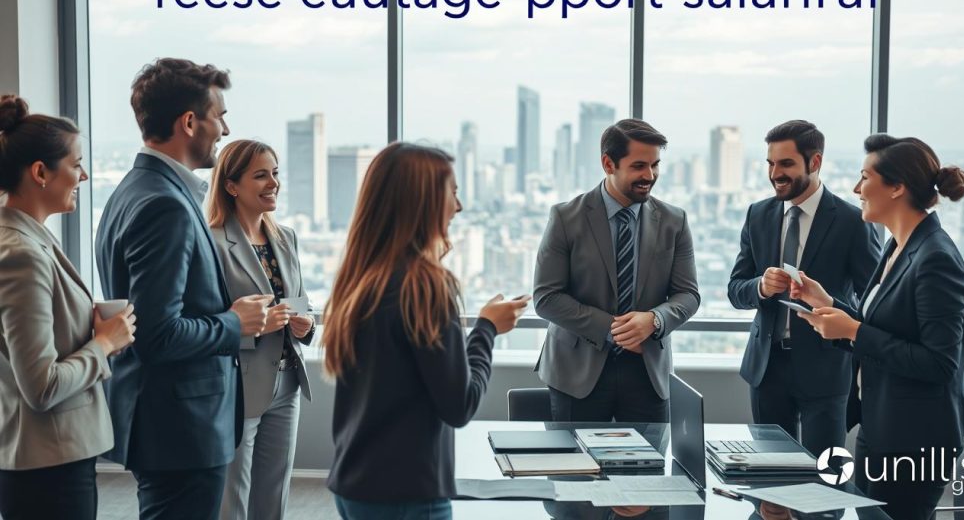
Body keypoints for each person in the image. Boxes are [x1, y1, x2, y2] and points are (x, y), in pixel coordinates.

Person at [95, 59, 274, 520]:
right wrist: (235, 322)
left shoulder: (133, 189)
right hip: (181, 428)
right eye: (220, 116)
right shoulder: (164, 204)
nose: (226, 128)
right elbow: (158, 334)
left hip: (163, 420)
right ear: (189, 122)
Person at [323, 142, 528, 520]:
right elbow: (459, 405)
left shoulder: (360, 279)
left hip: (355, 483)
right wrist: (486, 329)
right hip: (406, 492)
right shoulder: (425, 286)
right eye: (453, 192)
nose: (459, 206)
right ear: (424, 201)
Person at [793, 134, 964, 520]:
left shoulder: (935, 259)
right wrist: (827, 304)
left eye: (864, 177)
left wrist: (852, 332)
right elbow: (885, 326)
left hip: (915, 440)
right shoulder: (899, 246)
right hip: (883, 426)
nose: (856, 188)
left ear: (897, 187)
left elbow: (941, 364)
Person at [0, 95, 136, 520]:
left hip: (46, 459)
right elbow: (41, 386)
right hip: (47, 466)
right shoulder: (22, 253)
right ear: (41, 172)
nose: (85, 175)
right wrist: (104, 343)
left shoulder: (29, 239)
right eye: (76, 164)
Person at [728, 120, 880, 458]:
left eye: (785, 164)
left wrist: (825, 302)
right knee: (771, 476)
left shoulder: (852, 222)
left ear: (815, 162)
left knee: (824, 482)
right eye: (770, 163)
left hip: (825, 372)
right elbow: (735, 290)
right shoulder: (758, 215)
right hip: (767, 369)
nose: (774, 173)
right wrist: (761, 287)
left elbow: (874, 307)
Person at [534, 119, 700, 423]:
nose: (649, 176)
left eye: (655, 165)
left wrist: (654, 320)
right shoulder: (565, 218)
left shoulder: (674, 221)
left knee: (649, 470)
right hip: (576, 374)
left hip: (647, 373)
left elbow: (688, 295)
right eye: (638, 166)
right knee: (574, 470)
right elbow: (546, 297)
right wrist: (617, 330)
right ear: (608, 164)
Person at [208, 140, 315, 520]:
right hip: (239, 385)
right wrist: (252, 328)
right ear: (232, 185)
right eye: (260, 175)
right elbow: (208, 320)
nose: (273, 182)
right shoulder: (213, 242)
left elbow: (299, 299)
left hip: (286, 383)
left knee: (273, 496)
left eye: (275, 173)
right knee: (232, 497)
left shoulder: (285, 237)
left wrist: (305, 323)